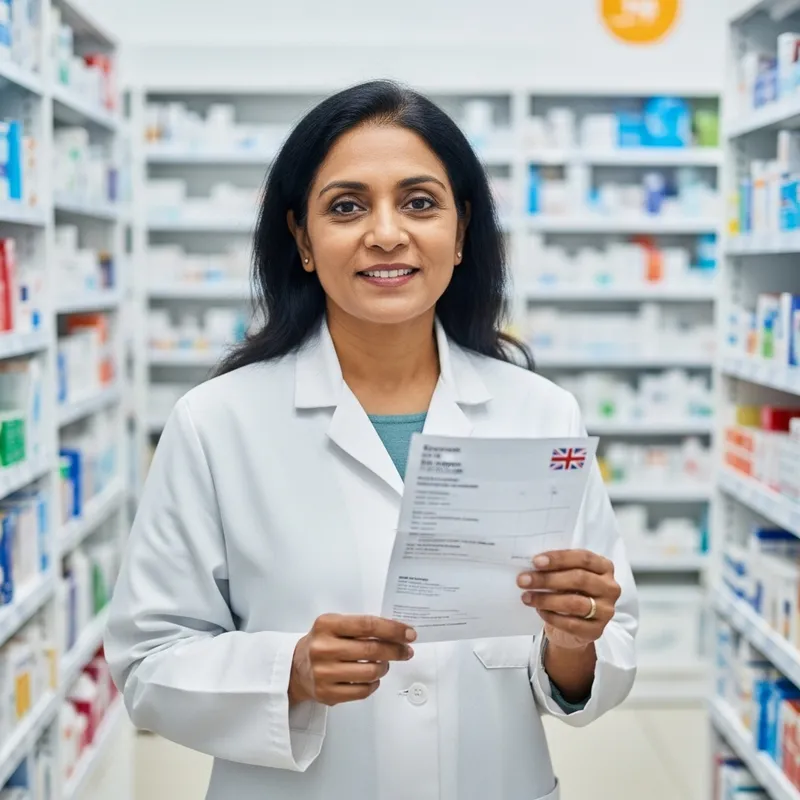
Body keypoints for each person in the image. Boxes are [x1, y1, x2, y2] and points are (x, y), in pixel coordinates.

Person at [104, 80, 638, 800]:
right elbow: (148, 661)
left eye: (419, 202)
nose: (386, 233)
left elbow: (596, 657)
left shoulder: (540, 413)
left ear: (460, 231)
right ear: (301, 238)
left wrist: (576, 640)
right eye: (347, 206)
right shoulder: (216, 422)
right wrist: (287, 669)